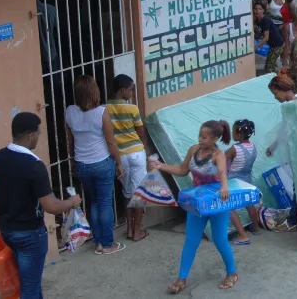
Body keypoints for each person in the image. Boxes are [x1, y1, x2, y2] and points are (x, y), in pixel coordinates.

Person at [0, 113, 82, 298]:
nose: (39, 137)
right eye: (38, 133)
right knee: (29, 287)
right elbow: (51, 206)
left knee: (28, 282)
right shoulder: (34, 165)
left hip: (7, 230)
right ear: (30, 135)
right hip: (30, 234)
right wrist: (72, 202)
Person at [150, 121, 238, 293]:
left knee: (220, 240)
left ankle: (232, 273)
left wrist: (224, 187)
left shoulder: (218, 155)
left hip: (217, 202)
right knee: (191, 240)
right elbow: (183, 170)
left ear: (214, 138)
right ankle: (182, 278)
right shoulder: (193, 150)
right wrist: (161, 166)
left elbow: (222, 173)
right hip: (197, 202)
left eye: (204, 137)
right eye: (199, 135)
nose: (200, 139)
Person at [65, 75, 125, 255]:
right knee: (105, 203)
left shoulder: (69, 112)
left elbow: (70, 141)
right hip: (101, 163)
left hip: (82, 165)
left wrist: (72, 160)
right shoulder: (101, 112)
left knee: (94, 201)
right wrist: (119, 163)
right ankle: (107, 244)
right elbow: (111, 142)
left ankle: (98, 241)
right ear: (94, 92)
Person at [107, 74, 149, 242]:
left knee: (126, 193)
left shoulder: (105, 109)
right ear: (123, 90)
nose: (132, 92)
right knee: (139, 193)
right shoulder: (132, 109)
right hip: (136, 153)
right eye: (131, 89)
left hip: (120, 156)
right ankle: (137, 231)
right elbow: (141, 132)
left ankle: (130, 229)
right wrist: (143, 146)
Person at [265, 73, 297, 232]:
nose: (275, 97)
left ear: (283, 89)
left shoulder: (292, 106)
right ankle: (294, 218)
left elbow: (288, 130)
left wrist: (274, 145)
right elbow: (284, 128)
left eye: (275, 93)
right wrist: (274, 145)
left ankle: (292, 220)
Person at [226, 119, 261, 245]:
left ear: (239, 135)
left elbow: (222, 161)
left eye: (233, 131)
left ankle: (242, 235)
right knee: (249, 204)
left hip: (234, 181)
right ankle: (256, 229)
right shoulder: (253, 147)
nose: (231, 134)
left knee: (228, 206)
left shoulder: (234, 149)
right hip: (247, 179)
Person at [254, 2, 284, 73]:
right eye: (255, 9)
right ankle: (280, 75)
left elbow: (266, 37)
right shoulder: (257, 20)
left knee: (269, 68)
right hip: (272, 45)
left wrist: (256, 47)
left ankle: (281, 77)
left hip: (277, 46)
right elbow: (258, 34)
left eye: (259, 9)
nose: (257, 10)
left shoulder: (265, 20)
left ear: (263, 10)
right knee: (269, 66)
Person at [280, 0, 297, 67]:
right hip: (285, 26)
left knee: (287, 45)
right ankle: (285, 62)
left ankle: (286, 63)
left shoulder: (291, 5)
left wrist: (284, 25)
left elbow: (294, 19)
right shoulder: (286, 3)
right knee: (285, 45)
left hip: (288, 27)